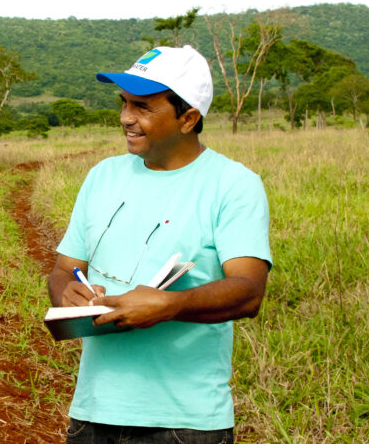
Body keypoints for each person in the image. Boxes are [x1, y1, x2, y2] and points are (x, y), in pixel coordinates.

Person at [47, 45, 272, 444]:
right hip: (93, 412)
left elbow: (248, 293)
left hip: (184, 423)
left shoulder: (234, 185)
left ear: (188, 118)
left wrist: (170, 306)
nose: (125, 119)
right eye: (124, 103)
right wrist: (69, 294)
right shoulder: (103, 176)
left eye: (143, 108)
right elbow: (65, 268)